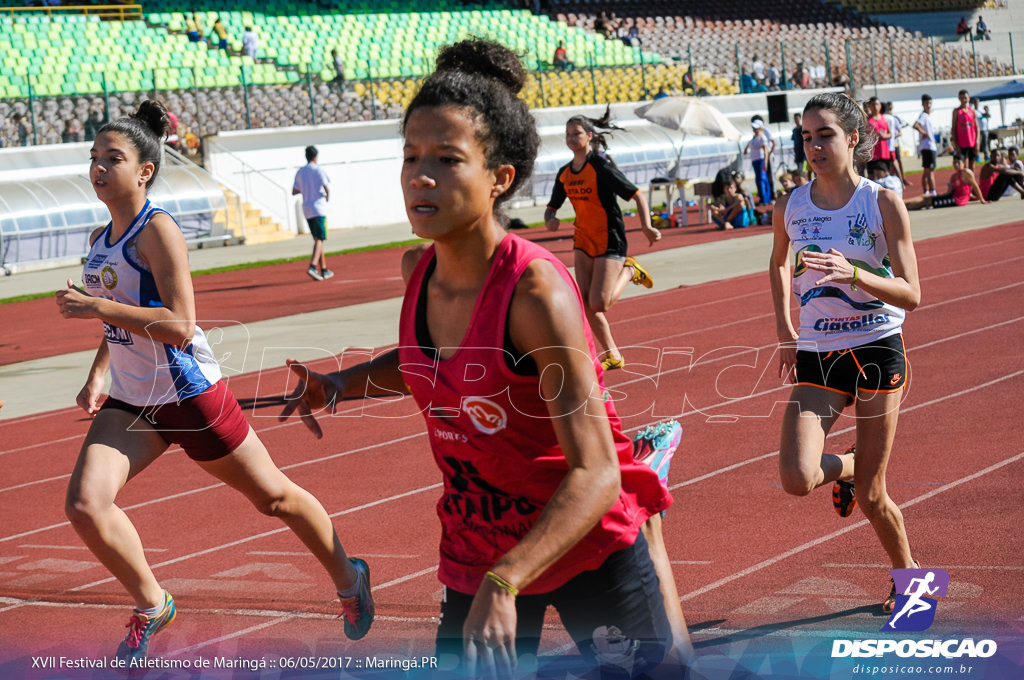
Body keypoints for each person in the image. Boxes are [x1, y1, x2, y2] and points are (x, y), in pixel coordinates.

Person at [279, 38, 691, 678]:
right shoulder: (419, 269)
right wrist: (339, 384)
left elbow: (595, 473)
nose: (420, 175)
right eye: (411, 156)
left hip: (581, 538)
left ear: (499, 178)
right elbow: (430, 363)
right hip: (477, 546)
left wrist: (508, 582)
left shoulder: (536, 294)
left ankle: (648, 493)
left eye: (447, 159)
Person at [55, 100, 374, 665]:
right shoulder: (101, 238)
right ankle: (153, 603)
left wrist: (96, 305)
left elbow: (179, 326)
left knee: (273, 498)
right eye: (93, 157)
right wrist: (98, 372)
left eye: (113, 158)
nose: (98, 168)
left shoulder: (158, 232)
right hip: (134, 402)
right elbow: (120, 313)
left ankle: (349, 577)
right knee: (85, 503)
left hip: (188, 395)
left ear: (144, 170)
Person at [769, 92, 922, 616]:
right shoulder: (791, 205)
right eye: (806, 136)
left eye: (825, 134)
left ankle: (913, 585)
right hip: (818, 352)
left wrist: (854, 272)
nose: (813, 145)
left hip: (878, 347)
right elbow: (777, 265)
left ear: (853, 138)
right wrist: (786, 332)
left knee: (876, 496)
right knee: (796, 477)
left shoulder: (881, 202)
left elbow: (913, 293)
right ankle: (852, 464)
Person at [545, 106, 660, 370]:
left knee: (600, 302)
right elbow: (552, 205)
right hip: (583, 240)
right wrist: (550, 218)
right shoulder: (564, 173)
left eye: (576, 134)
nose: (571, 138)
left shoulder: (600, 166)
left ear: (589, 136)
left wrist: (646, 226)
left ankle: (630, 270)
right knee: (584, 303)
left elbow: (636, 194)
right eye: (568, 134)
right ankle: (613, 354)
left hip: (610, 238)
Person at [292, 145, 333, 281]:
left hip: (307, 208)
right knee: (320, 239)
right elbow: (327, 188)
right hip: (318, 207)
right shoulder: (318, 170)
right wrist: (326, 197)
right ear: (316, 157)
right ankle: (313, 266)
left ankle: (324, 269)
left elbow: (294, 191)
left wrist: (305, 188)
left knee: (317, 239)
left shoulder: (301, 172)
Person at [903, 153, 985, 210]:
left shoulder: (966, 172)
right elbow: (950, 192)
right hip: (952, 196)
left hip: (957, 200)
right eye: (954, 163)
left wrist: (982, 199)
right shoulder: (953, 177)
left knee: (927, 201)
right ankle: (903, 203)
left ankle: (904, 207)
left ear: (963, 163)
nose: (956, 165)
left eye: (958, 163)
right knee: (927, 196)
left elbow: (975, 185)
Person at [744, 118, 775, 205]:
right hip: (755, 160)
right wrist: (746, 149)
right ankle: (763, 198)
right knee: (759, 179)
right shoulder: (754, 137)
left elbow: (765, 151)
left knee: (762, 179)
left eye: (756, 128)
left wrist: (765, 162)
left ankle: (766, 199)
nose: (754, 129)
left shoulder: (763, 137)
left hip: (760, 160)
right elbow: (749, 144)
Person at [913, 94, 937, 197]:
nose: (929, 105)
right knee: (929, 170)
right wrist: (924, 133)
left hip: (929, 146)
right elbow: (915, 125)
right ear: (923, 104)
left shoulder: (927, 116)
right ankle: (931, 191)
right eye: (926, 103)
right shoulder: (923, 116)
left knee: (928, 170)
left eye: (930, 103)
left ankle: (928, 191)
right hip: (927, 146)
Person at [951, 89, 980, 171]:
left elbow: (977, 127)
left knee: (972, 164)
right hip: (962, 143)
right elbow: (953, 128)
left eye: (965, 98)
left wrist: (977, 141)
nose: (963, 100)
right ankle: (965, 183)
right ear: (959, 99)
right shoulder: (957, 111)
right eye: (961, 98)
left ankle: (972, 181)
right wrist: (955, 144)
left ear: (968, 98)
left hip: (972, 142)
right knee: (964, 165)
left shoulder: (972, 111)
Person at [883, 102, 908, 187]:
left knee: (895, 163)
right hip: (890, 146)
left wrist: (891, 136)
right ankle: (898, 181)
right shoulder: (888, 118)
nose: (890, 110)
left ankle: (901, 181)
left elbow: (899, 132)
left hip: (892, 145)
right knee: (892, 164)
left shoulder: (891, 118)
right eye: (889, 108)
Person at [865, 97, 892, 169]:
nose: (875, 107)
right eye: (873, 104)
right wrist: (873, 136)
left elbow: (890, 134)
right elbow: (864, 136)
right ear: (869, 106)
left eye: (877, 104)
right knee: (873, 176)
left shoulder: (884, 119)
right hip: (872, 154)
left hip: (884, 152)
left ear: (880, 105)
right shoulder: (867, 120)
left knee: (885, 174)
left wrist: (884, 136)